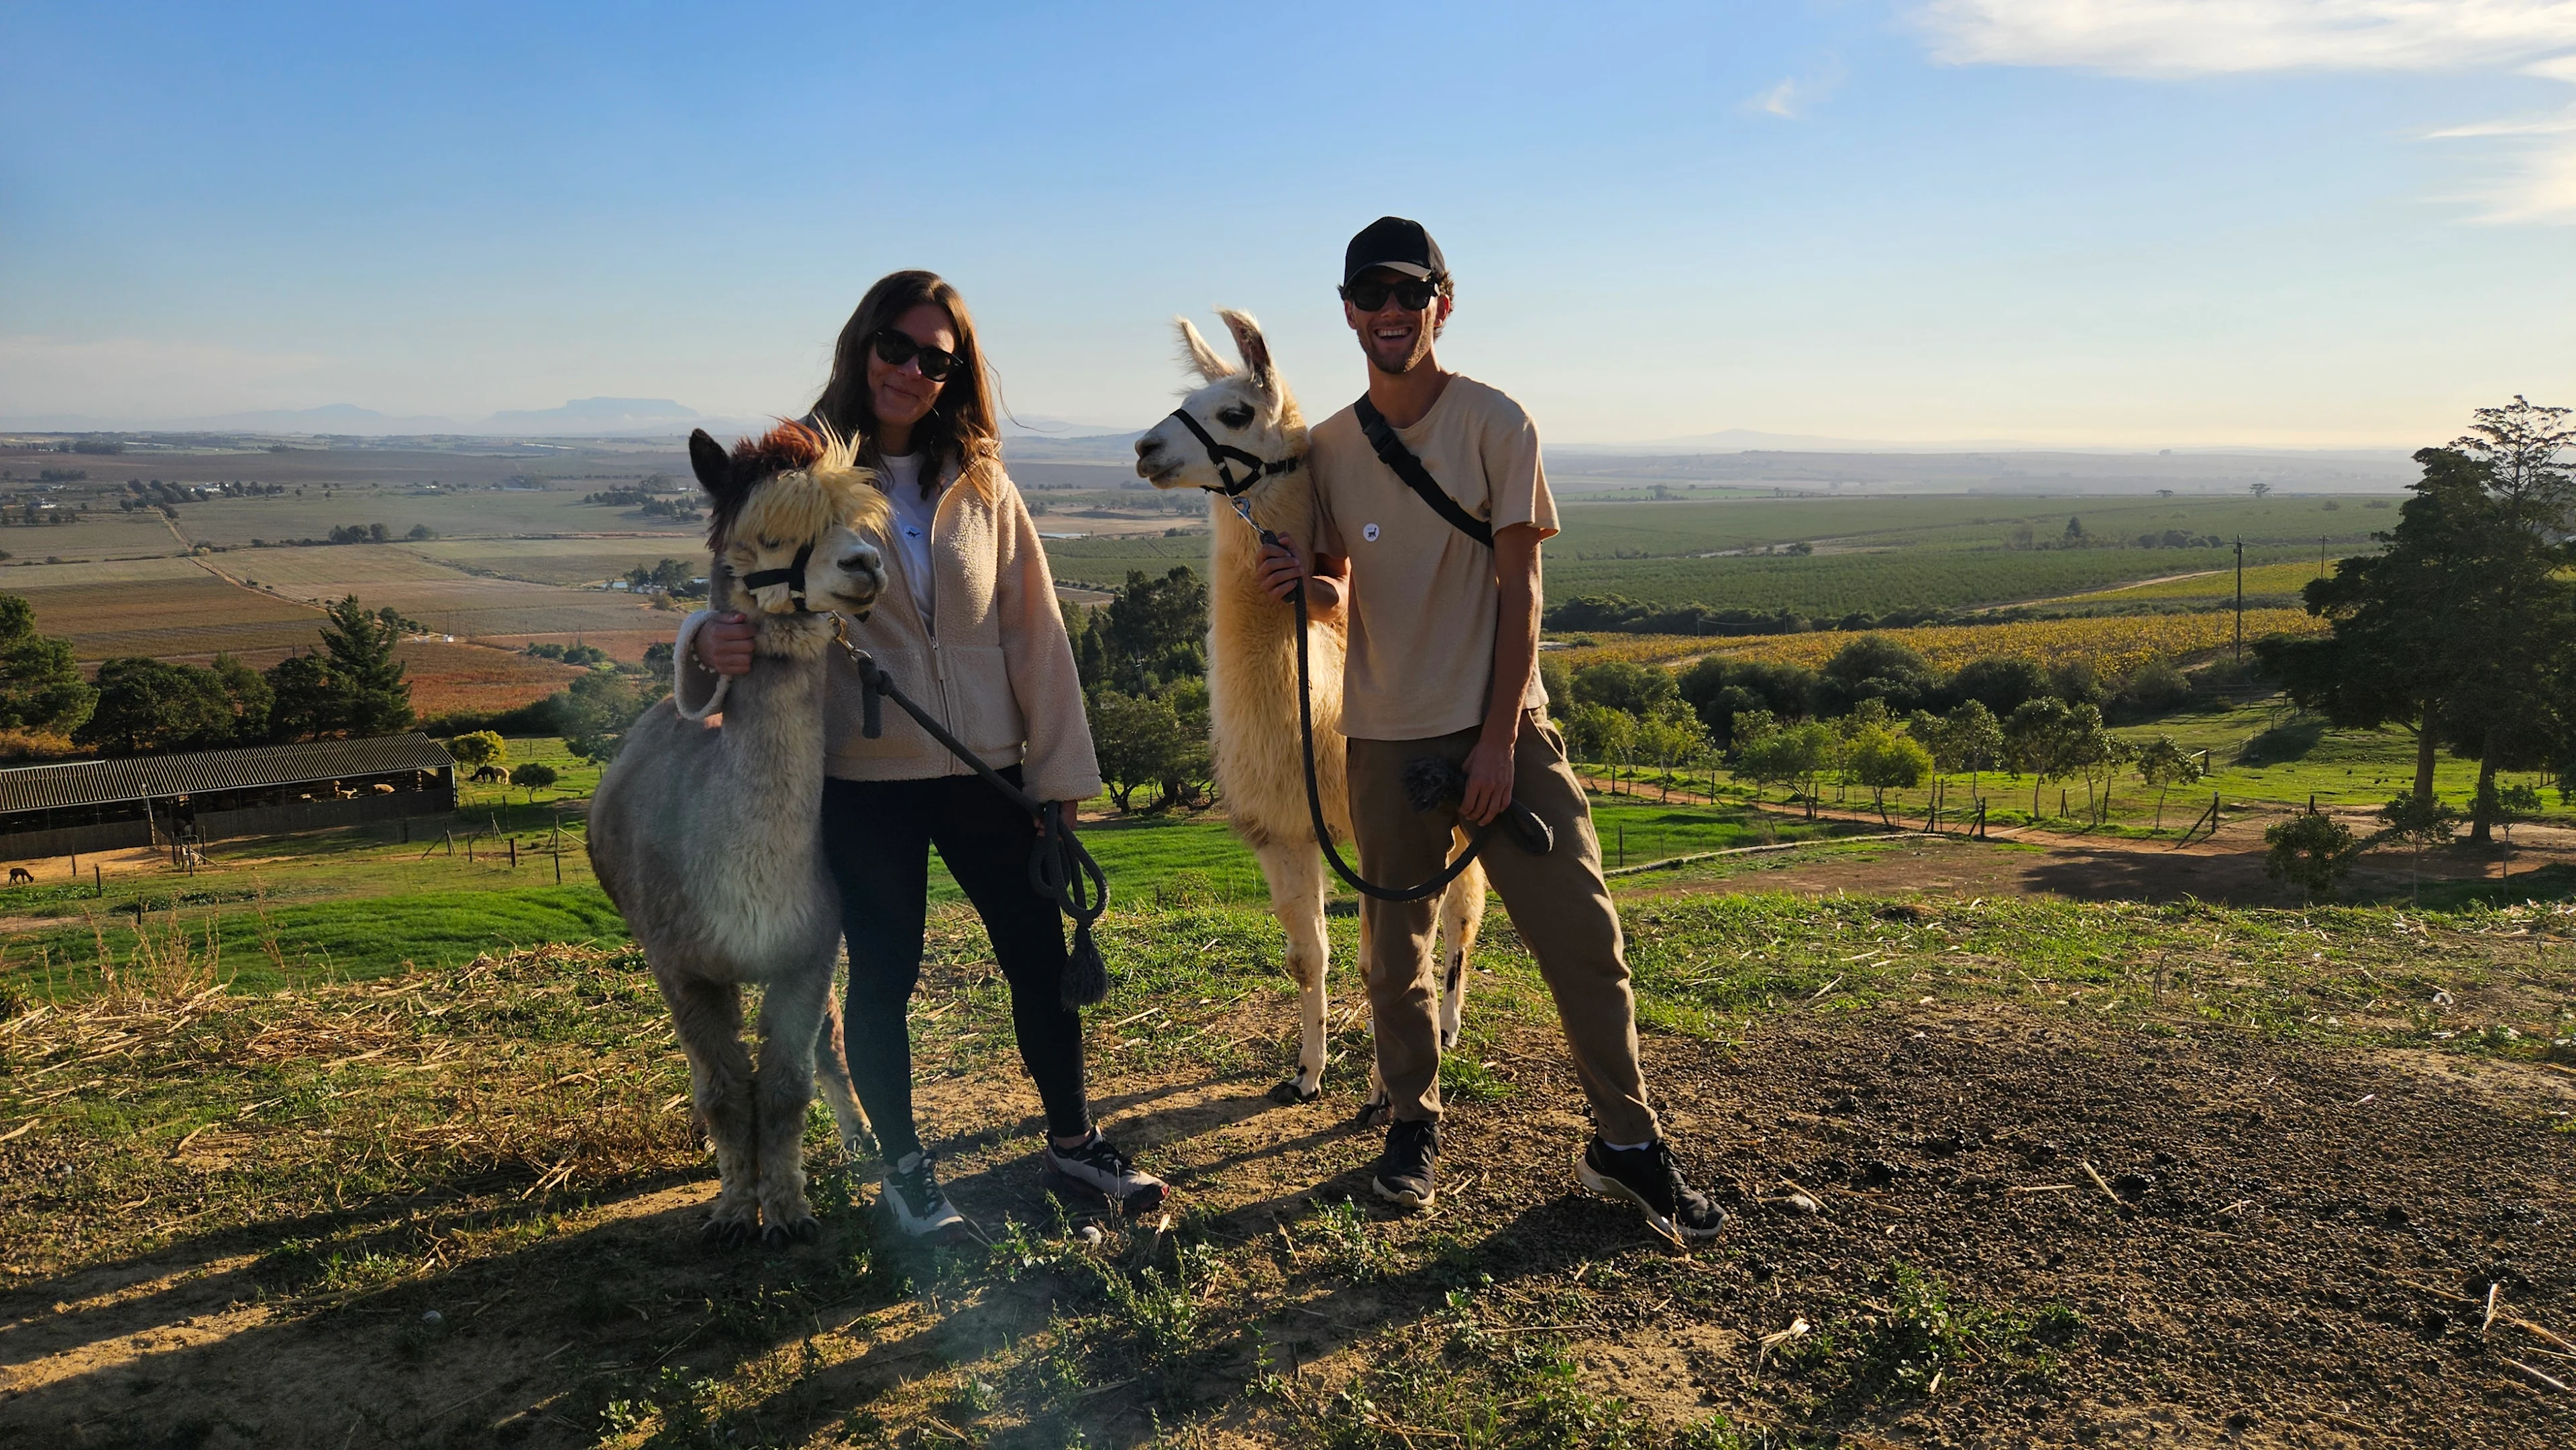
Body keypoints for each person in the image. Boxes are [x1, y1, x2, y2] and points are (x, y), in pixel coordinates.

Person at [1255, 219, 1725, 1243]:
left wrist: (1501, 744)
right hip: (1383, 738)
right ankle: (1412, 1125)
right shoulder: (1331, 447)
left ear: (1443, 303)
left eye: (1408, 294)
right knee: (1394, 955)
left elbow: (1523, 591)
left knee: (1583, 936)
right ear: (1346, 310)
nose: (1389, 311)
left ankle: (1627, 1142)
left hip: (1503, 728)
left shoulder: (1497, 423)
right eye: (1370, 295)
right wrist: (1311, 584)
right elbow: (1340, 588)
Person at [676, 270, 1166, 1235]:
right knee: (887, 973)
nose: (910, 370)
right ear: (863, 347)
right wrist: (703, 638)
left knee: (1036, 957)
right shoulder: (805, 476)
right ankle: (904, 1170)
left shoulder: (984, 482)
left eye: (934, 358)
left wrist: (1061, 777)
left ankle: (1073, 1143)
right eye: (894, 347)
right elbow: (740, 577)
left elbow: (1038, 633)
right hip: (865, 777)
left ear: (956, 372)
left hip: (987, 766)